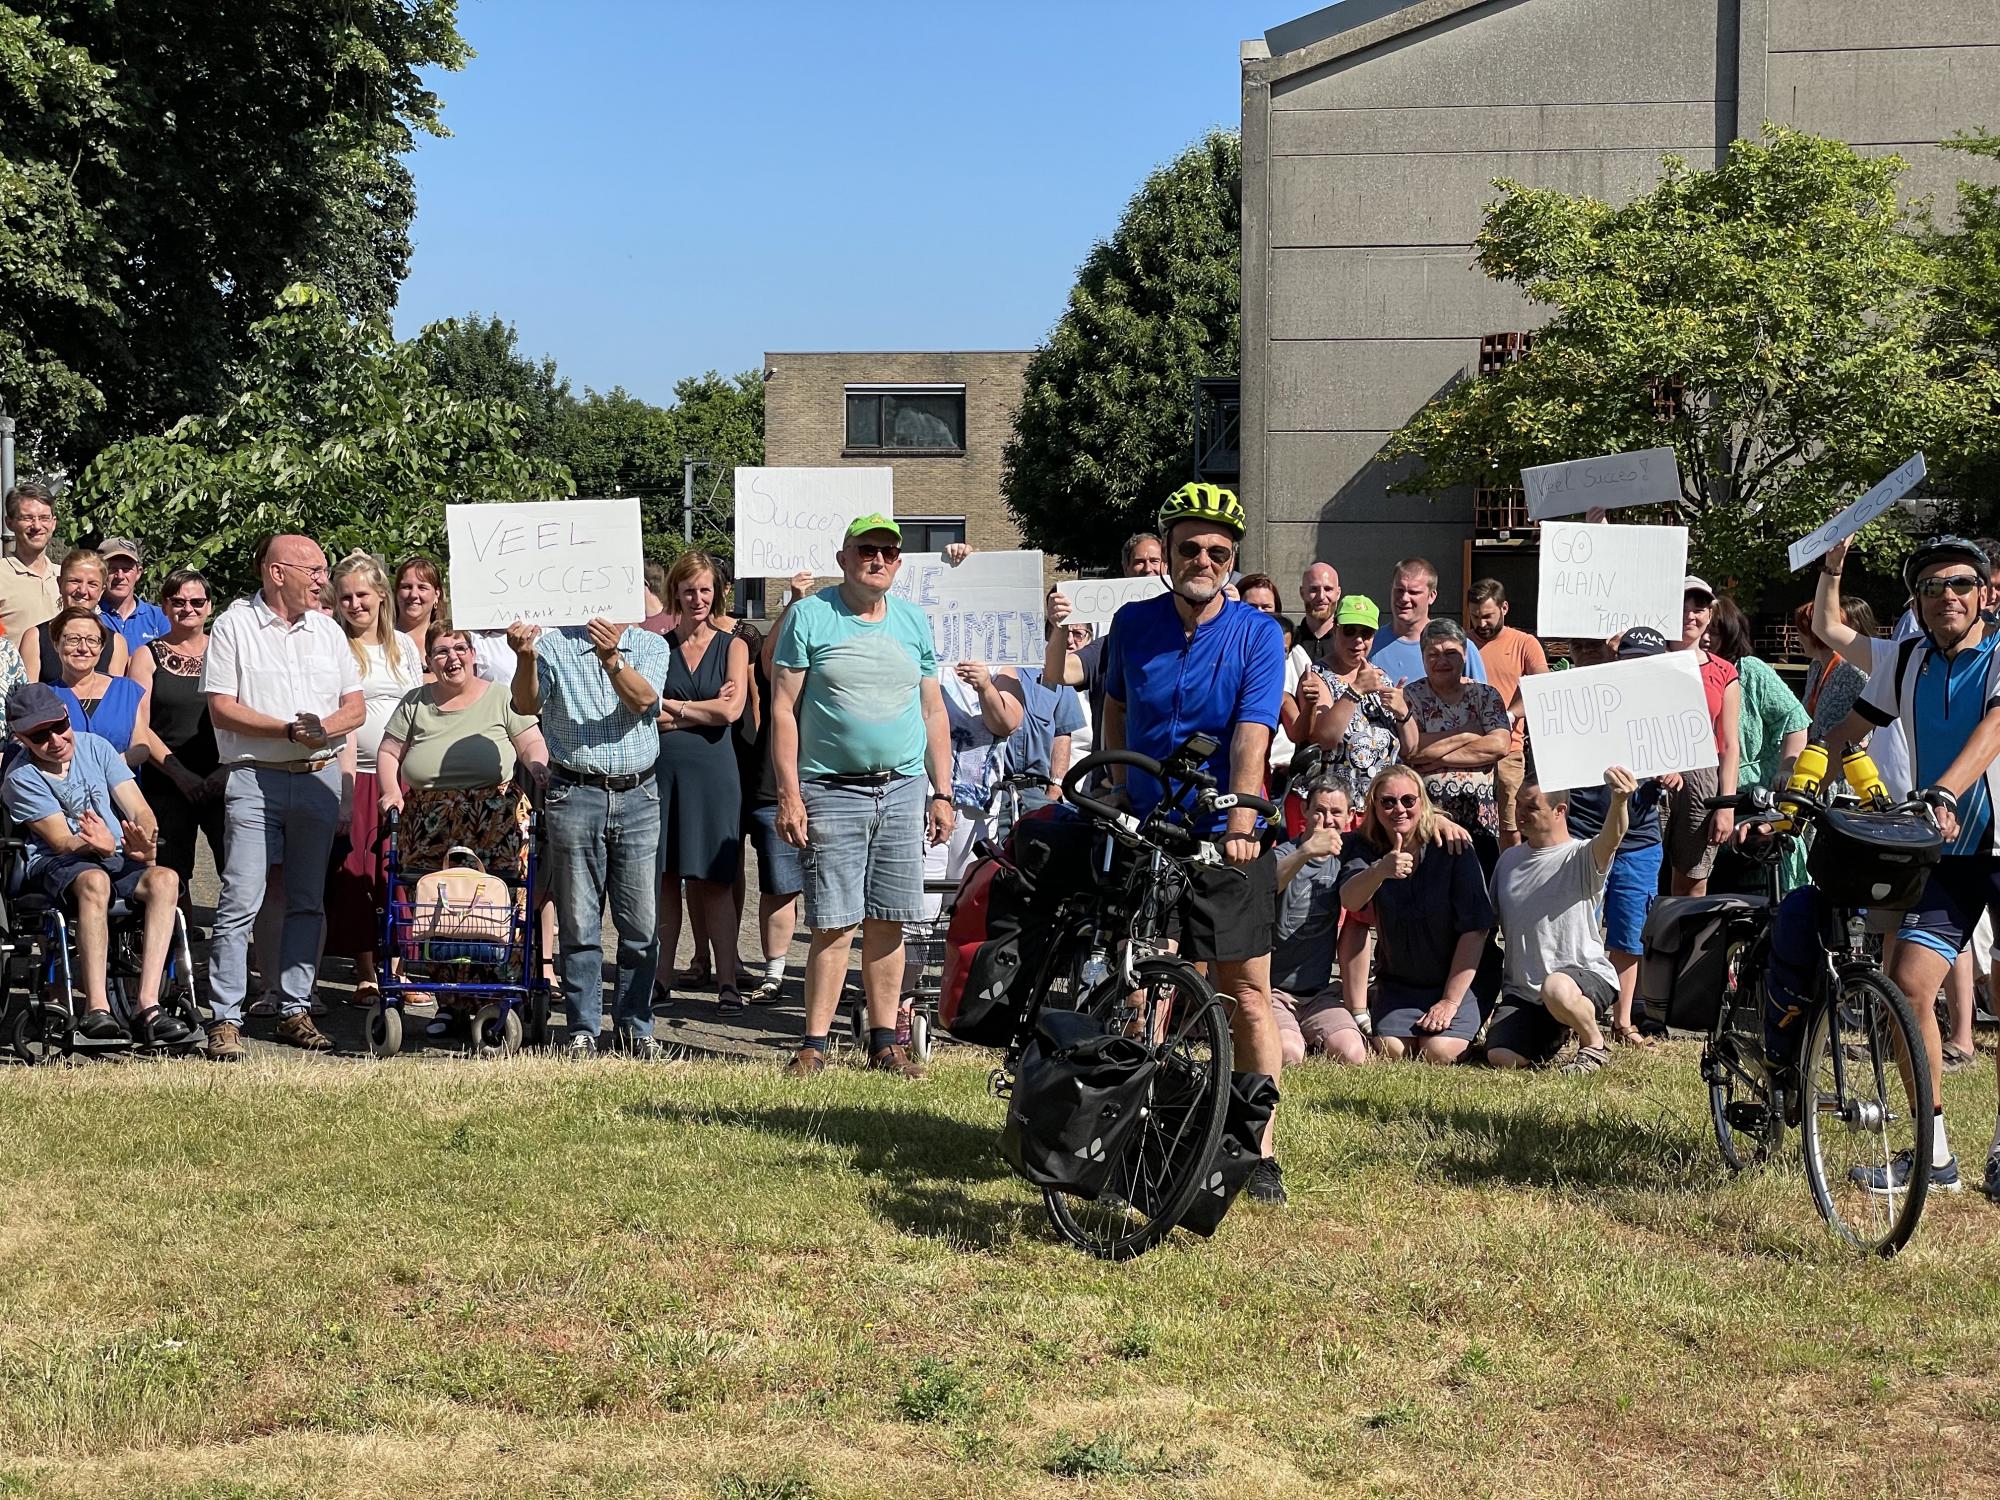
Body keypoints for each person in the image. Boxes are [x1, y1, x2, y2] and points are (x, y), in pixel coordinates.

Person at [1101, 482, 1290, 1200]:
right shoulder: (1133, 623)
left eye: (1217, 551)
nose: (1202, 559)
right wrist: (1116, 784)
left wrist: (1242, 823)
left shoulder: (1256, 633)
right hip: (1152, 830)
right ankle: (1133, 1132)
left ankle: (1257, 1147)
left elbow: (1252, 734)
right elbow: (1115, 704)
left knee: (1245, 992)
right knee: (1144, 986)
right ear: (1168, 551)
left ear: (1231, 558)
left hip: (1223, 832)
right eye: (1189, 548)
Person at [1832, 535, 2000, 1196]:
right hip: (1948, 850)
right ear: (1918, 603)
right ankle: (1933, 1155)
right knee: (1905, 988)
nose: (1947, 597)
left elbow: (1995, 727)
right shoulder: (1905, 661)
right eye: (1931, 588)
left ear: (1986, 592)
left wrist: (1945, 790)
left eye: (1960, 584)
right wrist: (1808, 778)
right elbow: (1853, 728)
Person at [772, 515, 952, 1078]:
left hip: (901, 790)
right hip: (830, 790)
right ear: (844, 557)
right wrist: (789, 794)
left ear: (899, 563)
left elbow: (933, 711)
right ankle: (814, 1044)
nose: (879, 560)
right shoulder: (809, 615)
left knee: (890, 920)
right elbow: (783, 709)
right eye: (867, 550)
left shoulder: (913, 622)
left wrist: (941, 792)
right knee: (832, 922)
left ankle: (883, 1041)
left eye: (889, 553)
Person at [201, 534, 363, 1058]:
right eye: (314, 569)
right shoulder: (233, 626)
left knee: (307, 901)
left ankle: (296, 1008)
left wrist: (323, 729)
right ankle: (225, 1017)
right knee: (240, 898)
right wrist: (288, 731)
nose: (323, 578)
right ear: (277, 573)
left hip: (317, 778)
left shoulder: (328, 631)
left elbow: (354, 708)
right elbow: (222, 709)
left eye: (324, 568)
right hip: (254, 777)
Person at [508, 597, 672, 1059]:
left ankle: (635, 1028)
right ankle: (582, 1027)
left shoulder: (649, 644)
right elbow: (525, 703)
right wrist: (525, 657)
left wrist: (611, 659)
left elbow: (644, 702)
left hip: (638, 794)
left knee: (640, 924)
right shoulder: (554, 643)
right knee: (579, 920)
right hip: (574, 792)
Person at [0, 683, 196, 1048]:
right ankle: (97, 1008)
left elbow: (139, 809)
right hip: (57, 863)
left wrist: (143, 839)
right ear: (21, 738)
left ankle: (148, 1005)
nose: (55, 739)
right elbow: (61, 840)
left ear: (67, 717)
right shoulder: (20, 778)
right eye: (39, 736)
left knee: (166, 879)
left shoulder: (96, 747)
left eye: (59, 726)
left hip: (113, 852)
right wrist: (102, 846)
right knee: (93, 881)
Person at [1562, 628, 1675, 1047]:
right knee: (1581, 929)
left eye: (1645, 660)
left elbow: (1681, 758)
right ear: (1616, 659)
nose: (1636, 667)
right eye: (1629, 658)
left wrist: (1674, 771)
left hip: (1641, 838)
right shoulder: (1587, 700)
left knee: (1629, 932)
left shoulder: (1668, 712)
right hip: (1586, 832)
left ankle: (1623, 1020)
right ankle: (1579, 1017)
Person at [1485, 766, 1636, 1075]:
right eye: (1518, 805)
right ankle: (1559, 1031)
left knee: (1556, 988)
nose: (1520, 813)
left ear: (1559, 811)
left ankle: (1594, 1045)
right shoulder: (1508, 861)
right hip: (1525, 992)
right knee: (1501, 1057)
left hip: (1583, 978)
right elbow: (1489, 923)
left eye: (1532, 806)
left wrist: (1619, 801)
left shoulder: (1581, 856)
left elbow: (1612, 837)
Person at [1339, 766, 1494, 1064]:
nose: (1399, 809)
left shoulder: (1453, 847)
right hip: (1402, 981)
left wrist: (1449, 1002)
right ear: (1374, 806)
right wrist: (1381, 870)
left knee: (1439, 1052)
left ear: (1423, 803)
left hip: (1461, 979)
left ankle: (1475, 1018)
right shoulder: (1365, 847)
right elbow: (1351, 899)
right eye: (1388, 802)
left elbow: (1476, 930)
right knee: (1392, 1050)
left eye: (1409, 800)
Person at [653, 550, 751, 1010]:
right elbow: (644, 714)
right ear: (675, 591)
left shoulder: (734, 644)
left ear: (717, 594)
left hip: (715, 774)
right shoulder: (656, 647)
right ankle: (660, 979)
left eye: (705, 589)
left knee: (715, 879)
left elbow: (731, 712)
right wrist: (700, 712)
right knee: (666, 878)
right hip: (663, 773)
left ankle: (728, 981)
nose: (697, 598)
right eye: (689, 589)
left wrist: (673, 709)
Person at [324, 554, 422, 1008]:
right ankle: (366, 973)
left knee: (398, 875)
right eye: (346, 597)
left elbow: (419, 712)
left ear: (381, 595)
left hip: (403, 778)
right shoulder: (335, 646)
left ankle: (398, 969)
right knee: (356, 875)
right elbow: (340, 724)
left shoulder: (405, 646)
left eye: (363, 594)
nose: (355, 604)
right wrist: (344, 797)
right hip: (355, 776)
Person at [129, 569, 224, 905]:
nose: (188, 608)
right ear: (165, 606)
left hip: (222, 776)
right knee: (171, 870)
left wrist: (224, 773)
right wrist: (179, 774)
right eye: (178, 601)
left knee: (237, 868)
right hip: (166, 779)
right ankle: (175, 949)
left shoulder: (227, 652)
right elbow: (140, 725)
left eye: (197, 601)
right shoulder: (145, 656)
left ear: (210, 606)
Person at [745, 569, 817, 1005]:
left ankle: (824, 971)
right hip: (777, 785)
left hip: (834, 783)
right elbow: (768, 665)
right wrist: (793, 601)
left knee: (835, 886)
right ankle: (773, 972)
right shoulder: (786, 664)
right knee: (779, 882)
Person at [1270, 777, 1368, 1067]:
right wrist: (1306, 852)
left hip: (1318, 994)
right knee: (1288, 1053)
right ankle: (1290, 1032)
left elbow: (1393, 824)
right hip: (1273, 991)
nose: (1327, 820)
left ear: (1350, 816)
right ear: (1304, 810)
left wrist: (1439, 819)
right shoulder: (1285, 853)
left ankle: (1309, 1030)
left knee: (1352, 1054)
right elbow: (1269, 883)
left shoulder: (1349, 851)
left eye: (1336, 813)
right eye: (1319, 811)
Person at [1040, 531, 1166, 743]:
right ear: (1125, 568)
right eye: (1139, 562)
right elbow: (1057, 673)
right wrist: (1060, 627)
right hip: (1111, 770)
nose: (1148, 569)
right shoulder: (1111, 644)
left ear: (1167, 565)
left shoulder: (1186, 643)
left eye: (1155, 561)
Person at [1665, 577, 1741, 897]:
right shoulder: (1645, 660)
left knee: (1693, 881)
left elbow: (1728, 745)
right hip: (1652, 774)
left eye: (1698, 609)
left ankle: (1686, 947)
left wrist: (1727, 806)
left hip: (1701, 779)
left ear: (1709, 615)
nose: (1690, 617)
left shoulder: (1724, 671)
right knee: (1638, 873)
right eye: (1681, 609)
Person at [1402, 617, 1511, 840]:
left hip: (1481, 818)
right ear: (1423, 658)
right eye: (1433, 654)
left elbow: (1499, 746)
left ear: (1464, 654)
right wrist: (1467, 733)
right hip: (1429, 818)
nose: (1441, 660)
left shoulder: (1486, 696)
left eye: (1450, 653)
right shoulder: (1410, 697)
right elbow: (1412, 750)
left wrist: (1437, 758)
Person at [1298, 595, 1416, 791]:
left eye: (1366, 633)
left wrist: (1403, 713)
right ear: (1335, 630)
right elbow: (1324, 739)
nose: (1358, 640)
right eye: (1350, 631)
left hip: (1380, 804)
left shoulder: (1380, 677)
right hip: (1336, 804)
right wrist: (1355, 690)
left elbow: (1411, 749)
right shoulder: (1317, 677)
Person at [1466, 579, 1549, 849]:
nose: (1481, 624)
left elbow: (1540, 687)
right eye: (1475, 616)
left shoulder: (1525, 643)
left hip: (1508, 749)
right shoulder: (1462, 643)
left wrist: (1510, 716)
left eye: (1488, 616)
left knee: (1510, 824)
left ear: (1504, 608)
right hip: (1466, 749)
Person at [42, 608, 149, 759]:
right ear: (56, 644)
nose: (83, 648)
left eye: (92, 640)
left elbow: (141, 747)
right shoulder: (45, 696)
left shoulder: (126, 691)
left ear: (102, 647)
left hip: (121, 781)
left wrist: (111, 770)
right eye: (73, 639)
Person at [1369, 558, 1491, 688]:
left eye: (1413, 592)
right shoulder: (1370, 643)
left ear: (1432, 596)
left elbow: (1482, 702)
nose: (1404, 598)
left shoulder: (1459, 647)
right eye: (1399, 590)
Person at [23, 550, 130, 683]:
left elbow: (116, 696)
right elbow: (27, 698)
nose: (83, 590)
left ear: (102, 591)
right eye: (74, 581)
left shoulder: (116, 643)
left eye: (92, 584)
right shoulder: (35, 638)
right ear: (59, 583)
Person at [0, 480, 61, 645]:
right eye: (27, 518)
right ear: (9, 523)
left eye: (44, 518)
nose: (37, 526)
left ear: (53, 523)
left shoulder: (66, 577)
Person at [96, 538, 170, 655]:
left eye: (126, 569)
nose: (120, 576)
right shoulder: (91, 616)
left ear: (139, 573)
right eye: (112, 569)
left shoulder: (160, 618)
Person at [392, 555, 449, 652]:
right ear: (397, 592)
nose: (413, 594)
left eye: (422, 588)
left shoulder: (448, 641)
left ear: (436, 595)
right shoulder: (380, 638)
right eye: (407, 587)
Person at [1292, 562, 1343, 670]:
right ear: (1302, 593)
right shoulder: (1289, 641)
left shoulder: (1348, 642)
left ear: (1338, 593)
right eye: (1314, 589)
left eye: (1328, 589)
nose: (1321, 596)